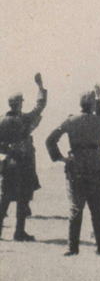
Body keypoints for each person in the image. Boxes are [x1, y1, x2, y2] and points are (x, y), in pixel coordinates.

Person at [45, 86, 100, 256]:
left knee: (75, 208)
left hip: (76, 168)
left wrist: (60, 158)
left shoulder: (70, 121)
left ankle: (72, 248)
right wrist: (99, 99)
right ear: (92, 105)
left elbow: (50, 140)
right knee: (98, 209)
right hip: (97, 167)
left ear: (80, 104)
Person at [0, 73, 47, 241]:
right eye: (21, 102)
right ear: (18, 104)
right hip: (21, 163)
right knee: (19, 198)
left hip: (12, 163)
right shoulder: (22, 119)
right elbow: (39, 106)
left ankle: (13, 232)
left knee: (9, 198)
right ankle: (18, 232)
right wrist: (40, 88)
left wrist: (7, 149)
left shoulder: (3, 120)